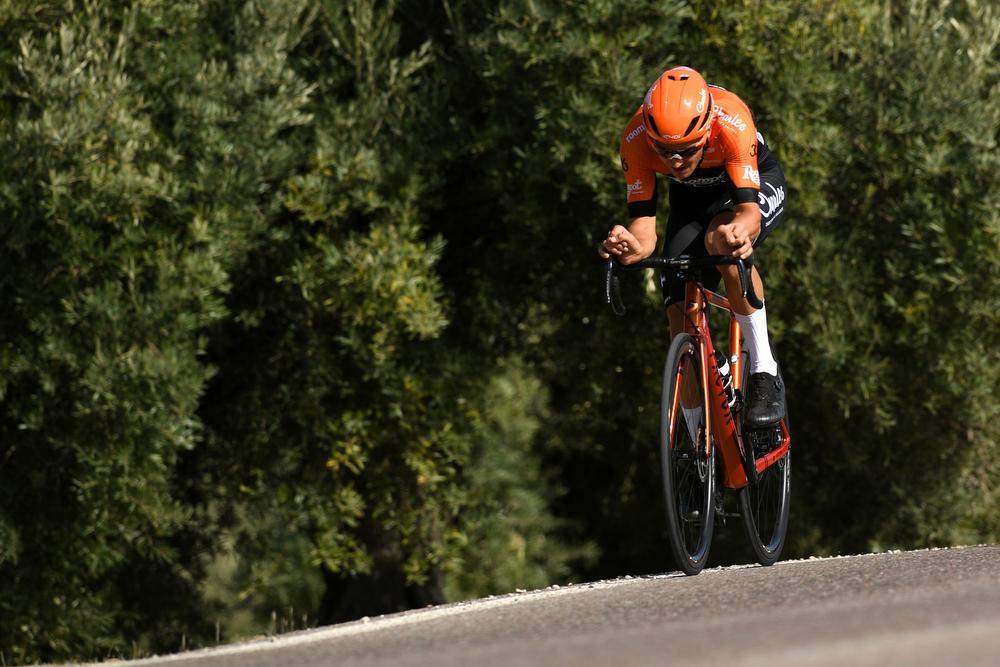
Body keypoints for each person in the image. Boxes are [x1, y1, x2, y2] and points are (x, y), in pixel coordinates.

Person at [598, 66, 785, 426]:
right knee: (678, 315)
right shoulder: (635, 139)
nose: (676, 161)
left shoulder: (732, 121)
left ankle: (764, 370)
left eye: (687, 149)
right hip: (691, 203)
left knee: (722, 240)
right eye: (665, 152)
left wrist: (740, 234)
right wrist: (628, 245)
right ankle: (694, 444)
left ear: (706, 128)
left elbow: (748, 214)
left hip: (748, 189)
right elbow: (644, 233)